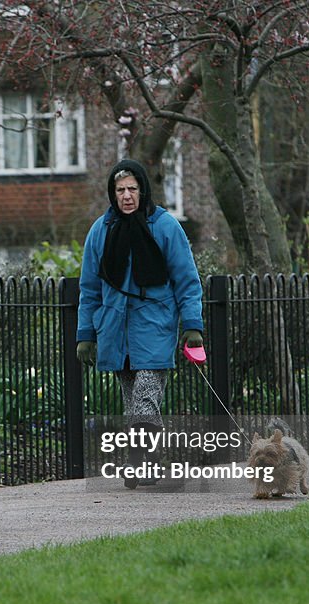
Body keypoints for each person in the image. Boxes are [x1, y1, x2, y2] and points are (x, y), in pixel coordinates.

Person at [76, 159, 204, 488]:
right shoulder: (100, 231)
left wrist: (192, 326)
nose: (127, 196)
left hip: (155, 326)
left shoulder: (165, 226)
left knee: (146, 397)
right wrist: (86, 334)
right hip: (114, 329)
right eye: (120, 190)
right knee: (133, 401)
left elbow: (187, 280)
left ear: (143, 190)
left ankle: (135, 459)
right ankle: (149, 461)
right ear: (112, 193)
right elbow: (89, 289)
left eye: (132, 189)